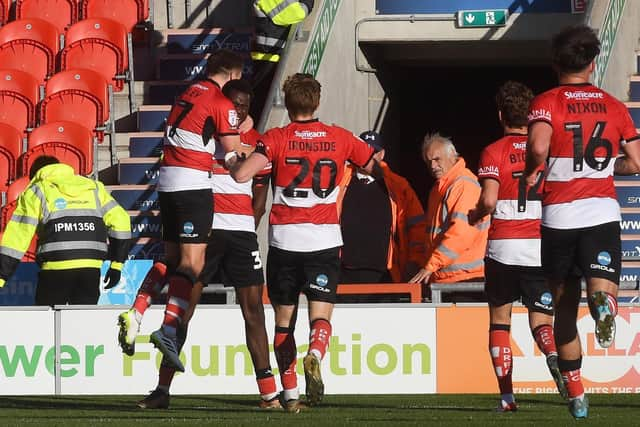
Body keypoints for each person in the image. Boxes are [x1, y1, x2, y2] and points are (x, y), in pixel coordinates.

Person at [228, 73, 381, 411]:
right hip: (324, 239)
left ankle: (292, 395)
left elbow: (242, 175)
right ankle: (315, 353)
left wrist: (233, 157)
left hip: (284, 241)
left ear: (286, 101)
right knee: (321, 314)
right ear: (317, 102)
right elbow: (373, 164)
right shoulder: (340, 137)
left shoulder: (275, 138)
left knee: (284, 321)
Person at [134, 79, 279, 410]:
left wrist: (246, 229)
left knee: (254, 311)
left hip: (241, 235)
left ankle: (268, 393)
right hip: (206, 233)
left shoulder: (257, 144)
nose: (240, 109)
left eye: (245, 104)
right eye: (235, 103)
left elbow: (260, 200)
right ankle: (162, 389)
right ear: (224, 103)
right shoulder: (202, 137)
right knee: (185, 310)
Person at [523, 25, 640, 419]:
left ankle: (576, 396)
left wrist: (530, 171)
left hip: (559, 217)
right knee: (601, 288)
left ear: (556, 63)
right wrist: (608, 166)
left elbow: (538, 147)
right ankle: (604, 304)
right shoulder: (613, 106)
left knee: (564, 311)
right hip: (601, 214)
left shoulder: (546, 102)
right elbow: (637, 162)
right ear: (593, 64)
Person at [117, 49, 244, 372]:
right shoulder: (221, 102)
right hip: (192, 186)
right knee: (193, 264)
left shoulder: (187, 92)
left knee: (171, 259)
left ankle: (137, 310)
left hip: (167, 183)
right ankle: (170, 329)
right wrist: (252, 158)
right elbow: (231, 155)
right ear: (231, 74)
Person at [468, 81, 567, 412]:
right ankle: (552, 352)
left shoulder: (493, 151)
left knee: (500, 321)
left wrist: (475, 213)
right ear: (531, 115)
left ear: (500, 115)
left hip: (504, 248)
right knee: (542, 319)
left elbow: (489, 199)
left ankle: (508, 398)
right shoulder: (545, 149)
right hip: (540, 245)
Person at [0, 156, 131, 305]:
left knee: (48, 324)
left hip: (55, 269)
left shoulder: (38, 190)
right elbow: (122, 221)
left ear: (36, 175)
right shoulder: (94, 188)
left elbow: (18, 236)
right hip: (90, 270)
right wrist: (117, 264)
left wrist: (1, 275)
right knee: (81, 323)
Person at [336, 131, 426, 284]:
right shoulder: (338, 181)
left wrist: (414, 261)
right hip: (343, 272)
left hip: (385, 274)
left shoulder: (399, 186)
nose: (369, 156)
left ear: (382, 154)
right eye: (363, 150)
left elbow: (417, 227)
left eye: (374, 152)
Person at [409, 133, 488, 299]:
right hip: (445, 279)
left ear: (453, 156)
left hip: (465, 280)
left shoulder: (464, 185)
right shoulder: (439, 189)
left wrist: (430, 265)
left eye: (437, 159)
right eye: (429, 161)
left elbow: (461, 233)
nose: (433, 165)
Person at [251, 0, 314, 118]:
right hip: (268, 56)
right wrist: (307, 3)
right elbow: (296, 13)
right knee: (261, 106)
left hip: (272, 54)